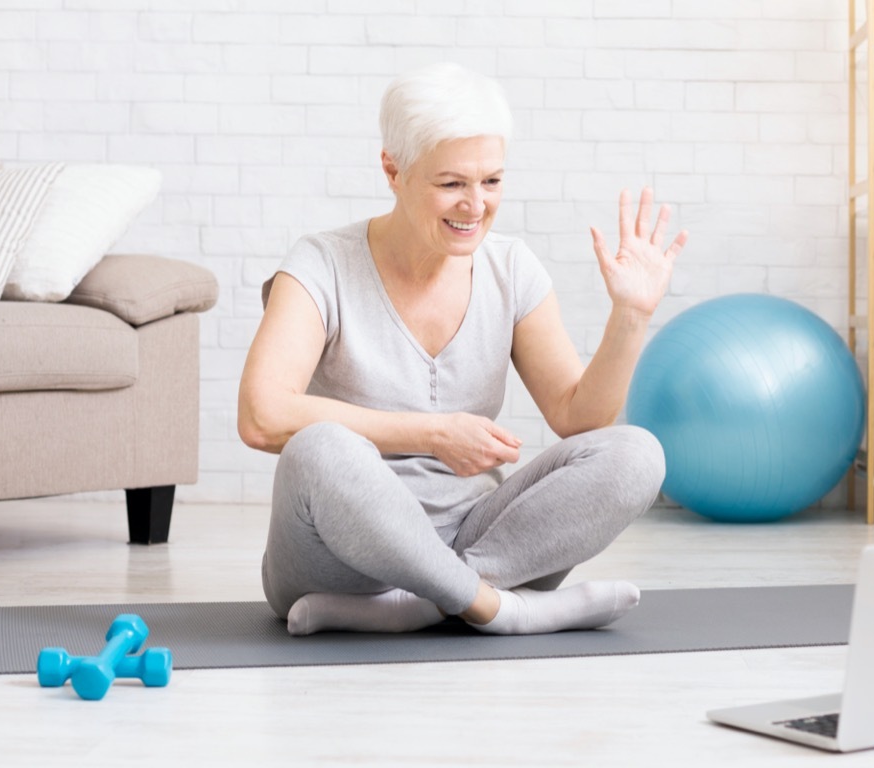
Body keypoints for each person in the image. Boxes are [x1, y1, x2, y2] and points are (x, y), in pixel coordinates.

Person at [238, 62, 689, 636]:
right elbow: (261, 417)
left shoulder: (511, 267)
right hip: (338, 560)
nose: (475, 206)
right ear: (393, 169)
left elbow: (581, 418)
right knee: (321, 446)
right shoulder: (321, 263)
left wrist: (632, 314)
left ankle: (428, 601)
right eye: (451, 184)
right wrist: (430, 432)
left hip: (477, 537)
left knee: (636, 452)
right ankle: (496, 609)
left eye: (492, 181)